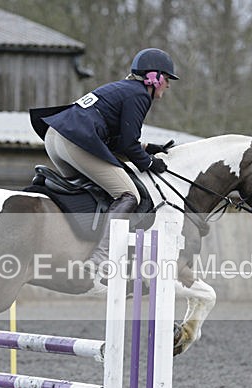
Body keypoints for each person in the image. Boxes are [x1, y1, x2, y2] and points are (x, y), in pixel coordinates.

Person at [29, 48, 178, 269]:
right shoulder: (139, 95)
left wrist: (146, 147)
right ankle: (102, 254)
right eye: (167, 78)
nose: (168, 84)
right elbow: (128, 143)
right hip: (75, 140)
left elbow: (117, 141)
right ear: (154, 77)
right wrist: (148, 162)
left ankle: (76, 242)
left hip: (56, 137)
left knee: (93, 191)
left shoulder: (123, 89)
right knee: (128, 194)